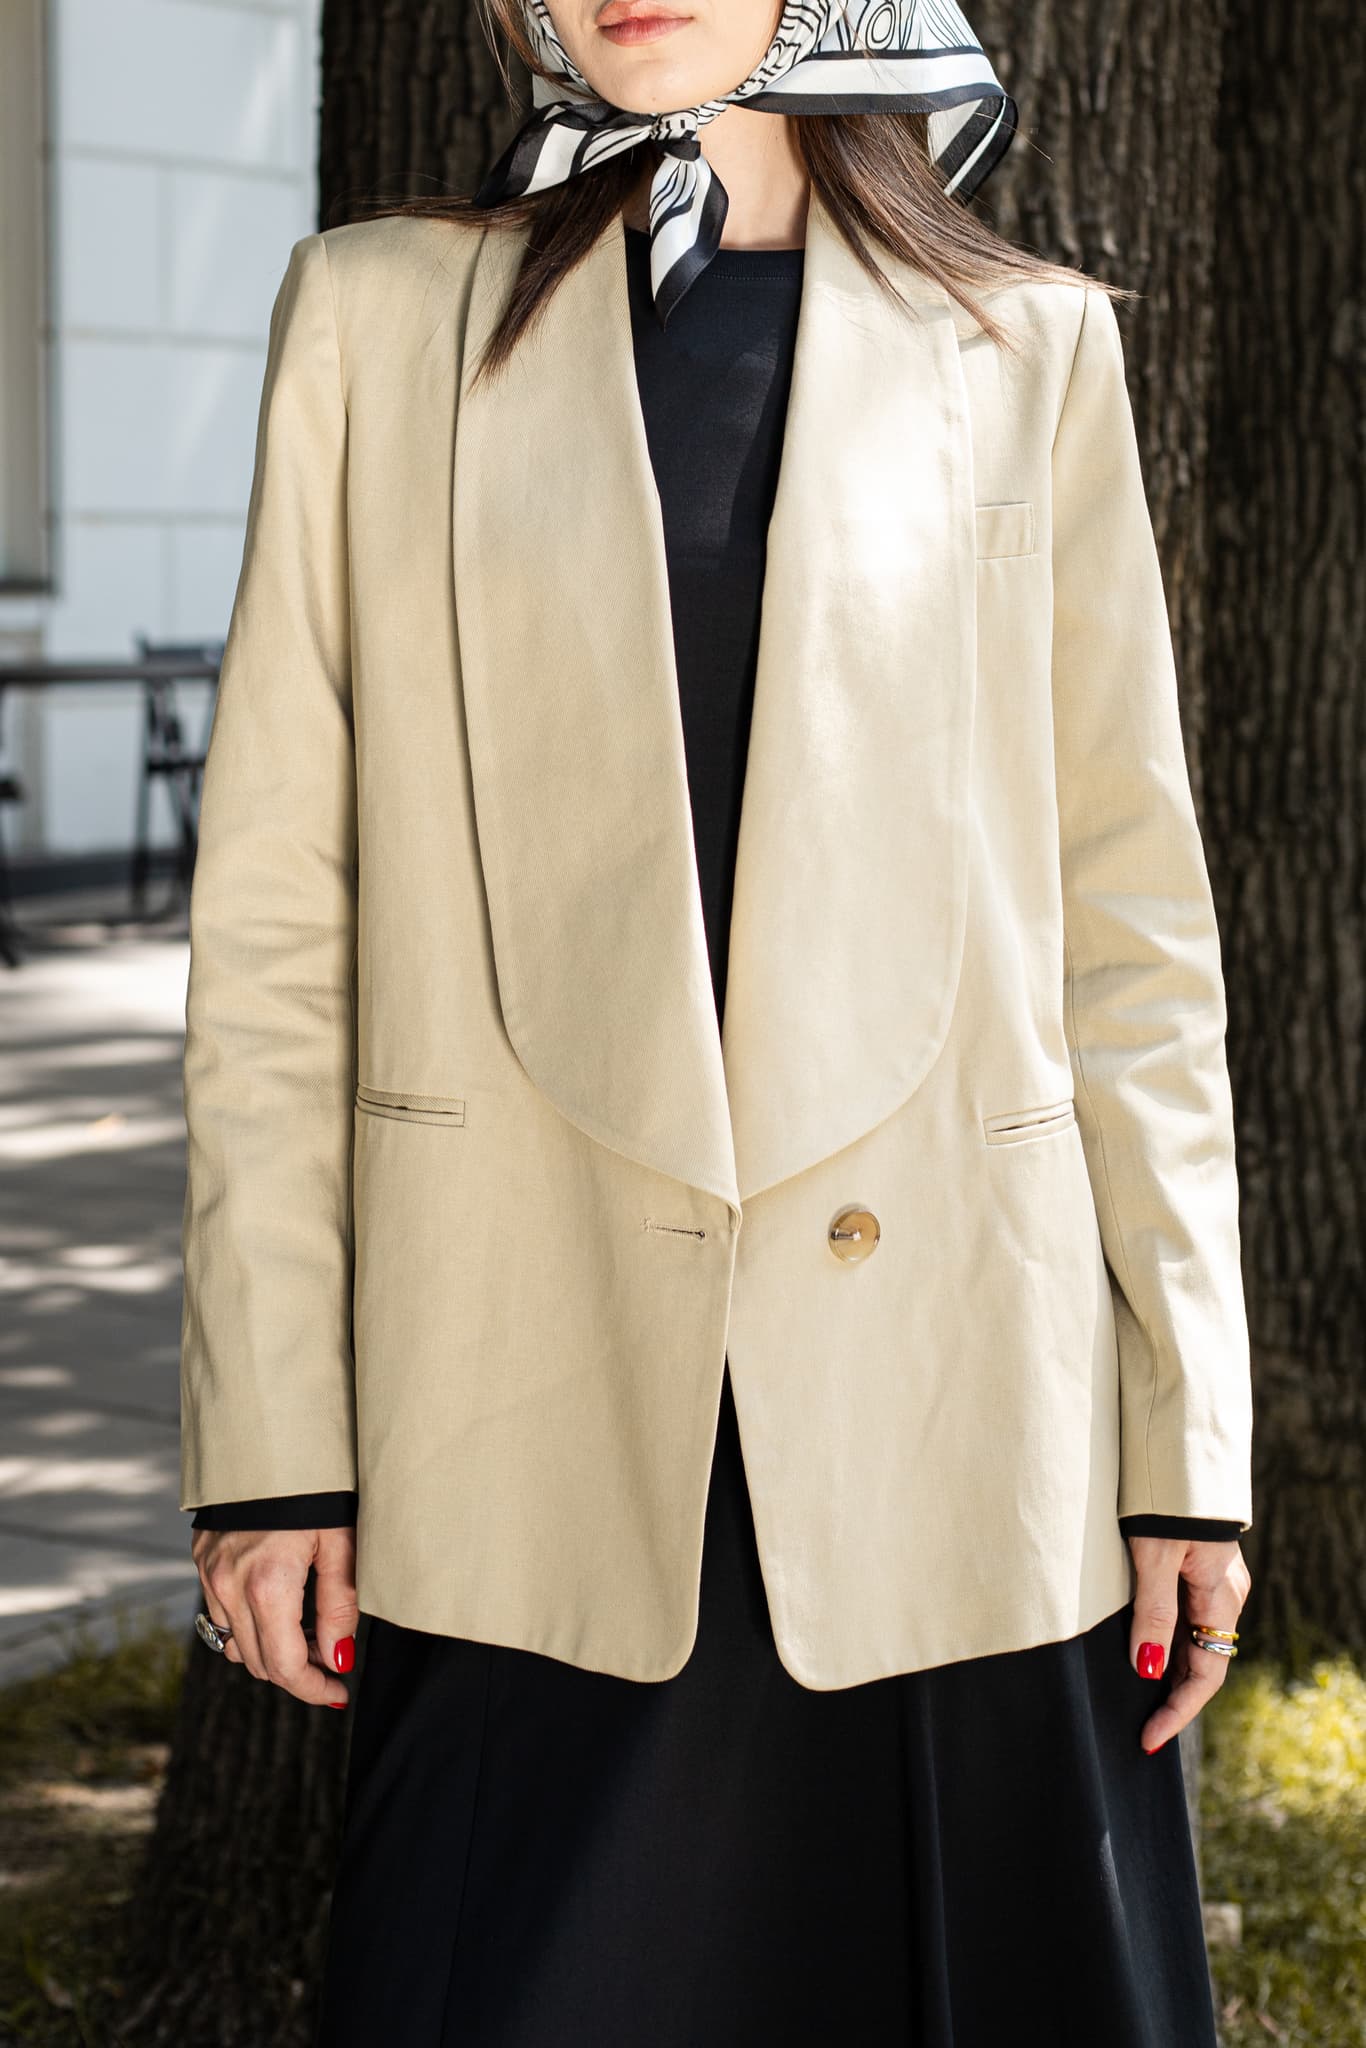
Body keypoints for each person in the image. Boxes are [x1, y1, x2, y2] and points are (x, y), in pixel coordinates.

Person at [179, 2, 1255, 2041]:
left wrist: (1184, 1445)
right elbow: (274, 933)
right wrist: (272, 1442)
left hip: (962, 1402)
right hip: (514, 1384)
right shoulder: (375, 317)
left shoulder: (1027, 347)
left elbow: (1132, 933)